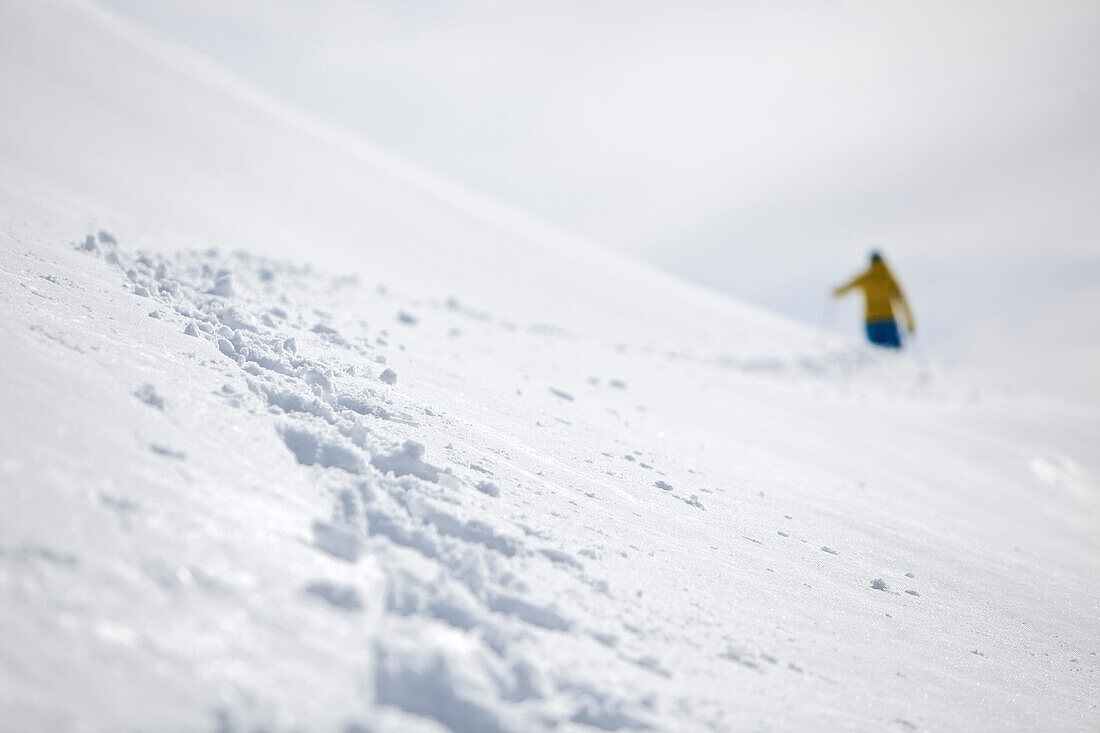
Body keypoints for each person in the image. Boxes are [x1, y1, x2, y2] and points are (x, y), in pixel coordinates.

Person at [832, 251, 915, 348]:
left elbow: (846, 288)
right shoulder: (889, 278)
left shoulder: (865, 277)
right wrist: (909, 323)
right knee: (895, 355)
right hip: (888, 321)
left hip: (871, 322)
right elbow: (902, 302)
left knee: (876, 354)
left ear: (871, 262)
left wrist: (836, 293)